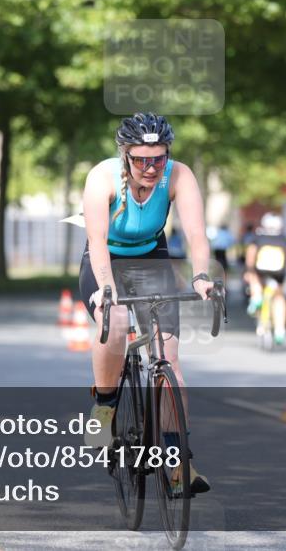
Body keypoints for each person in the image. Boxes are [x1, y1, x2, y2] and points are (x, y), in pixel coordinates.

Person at [79, 112, 214, 494]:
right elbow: (98, 243)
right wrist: (106, 289)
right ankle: (105, 406)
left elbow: (196, 234)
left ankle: (177, 465)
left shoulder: (180, 175)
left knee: (170, 362)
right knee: (117, 320)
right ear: (125, 155)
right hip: (107, 260)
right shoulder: (100, 179)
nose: (151, 167)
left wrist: (201, 275)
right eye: (141, 159)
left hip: (152, 258)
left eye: (158, 158)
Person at [244, 213, 286, 346]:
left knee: (254, 278)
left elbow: (251, 255)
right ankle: (280, 329)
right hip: (278, 272)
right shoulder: (283, 239)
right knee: (279, 297)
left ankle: (257, 297)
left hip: (261, 270)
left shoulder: (258, 237)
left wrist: (249, 270)